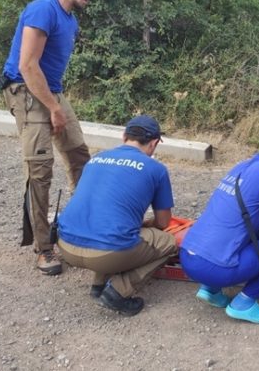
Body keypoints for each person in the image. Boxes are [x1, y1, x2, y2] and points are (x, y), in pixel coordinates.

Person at [0, 0, 106, 275]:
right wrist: (53, 109)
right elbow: (27, 66)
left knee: (78, 155)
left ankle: (82, 226)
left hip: (50, 91)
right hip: (25, 89)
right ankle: (44, 248)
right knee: (40, 169)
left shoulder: (69, 19)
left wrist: (57, 104)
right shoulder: (42, 10)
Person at [180, 131, 259, 324]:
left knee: (255, 231)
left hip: (188, 258)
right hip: (214, 267)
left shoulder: (244, 165)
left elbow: (241, 210)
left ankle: (210, 289)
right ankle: (245, 302)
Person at [56, 115, 178, 316]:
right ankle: (118, 291)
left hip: (66, 245)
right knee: (168, 242)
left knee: (108, 226)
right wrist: (147, 225)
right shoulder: (156, 169)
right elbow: (164, 222)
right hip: (107, 254)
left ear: (124, 137)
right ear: (154, 143)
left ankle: (98, 285)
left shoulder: (95, 159)